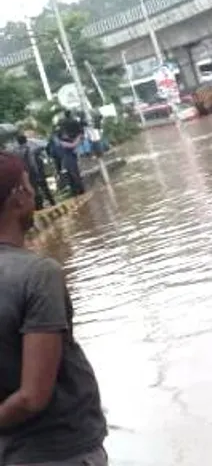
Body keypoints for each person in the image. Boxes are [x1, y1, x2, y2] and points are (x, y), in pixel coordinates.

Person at [0, 154, 108, 465]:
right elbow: (32, 397)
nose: (34, 193)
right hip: (59, 449)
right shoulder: (38, 274)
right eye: (28, 185)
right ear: (18, 198)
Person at [12, 137, 53, 212]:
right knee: (44, 187)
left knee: (34, 190)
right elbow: (32, 162)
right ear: (26, 141)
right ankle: (52, 202)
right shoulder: (31, 148)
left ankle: (39, 208)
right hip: (35, 171)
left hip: (26, 173)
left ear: (18, 142)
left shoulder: (16, 151)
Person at [54, 112, 85, 197]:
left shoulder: (61, 128)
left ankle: (77, 191)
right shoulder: (74, 123)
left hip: (67, 152)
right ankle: (79, 191)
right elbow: (80, 135)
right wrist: (77, 142)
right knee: (73, 172)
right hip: (68, 152)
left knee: (72, 172)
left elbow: (61, 141)